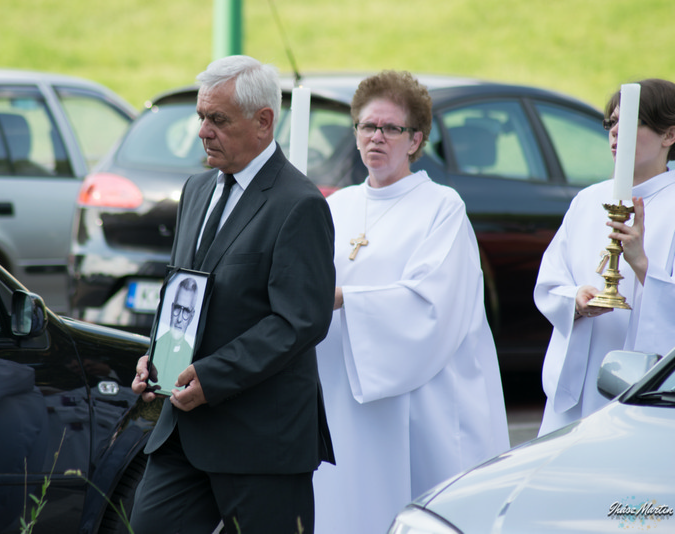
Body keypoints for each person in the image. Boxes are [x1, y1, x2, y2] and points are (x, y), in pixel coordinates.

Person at [129, 55, 336, 534]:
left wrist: (212, 376)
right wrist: (157, 358)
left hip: (260, 441)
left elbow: (300, 321)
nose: (203, 131)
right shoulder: (197, 189)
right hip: (183, 431)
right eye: (201, 116)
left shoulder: (299, 204)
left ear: (263, 122)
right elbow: (184, 290)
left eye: (218, 119)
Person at [312, 70, 510, 534]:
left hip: (416, 398)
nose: (376, 137)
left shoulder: (441, 207)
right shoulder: (337, 206)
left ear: (416, 139)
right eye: (367, 126)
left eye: (391, 128)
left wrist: (345, 299)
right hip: (341, 391)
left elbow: (433, 306)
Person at [535, 78, 675, 435]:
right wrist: (575, 301)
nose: (615, 132)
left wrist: (642, 265)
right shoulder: (587, 201)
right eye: (611, 123)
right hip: (581, 380)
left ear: (669, 135)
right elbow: (550, 281)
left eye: (629, 123)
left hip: (645, 390)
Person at [150, 276, 198, 394]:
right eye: (177, 308)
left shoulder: (191, 353)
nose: (179, 319)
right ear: (171, 308)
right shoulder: (157, 347)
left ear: (191, 316)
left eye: (186, 311)